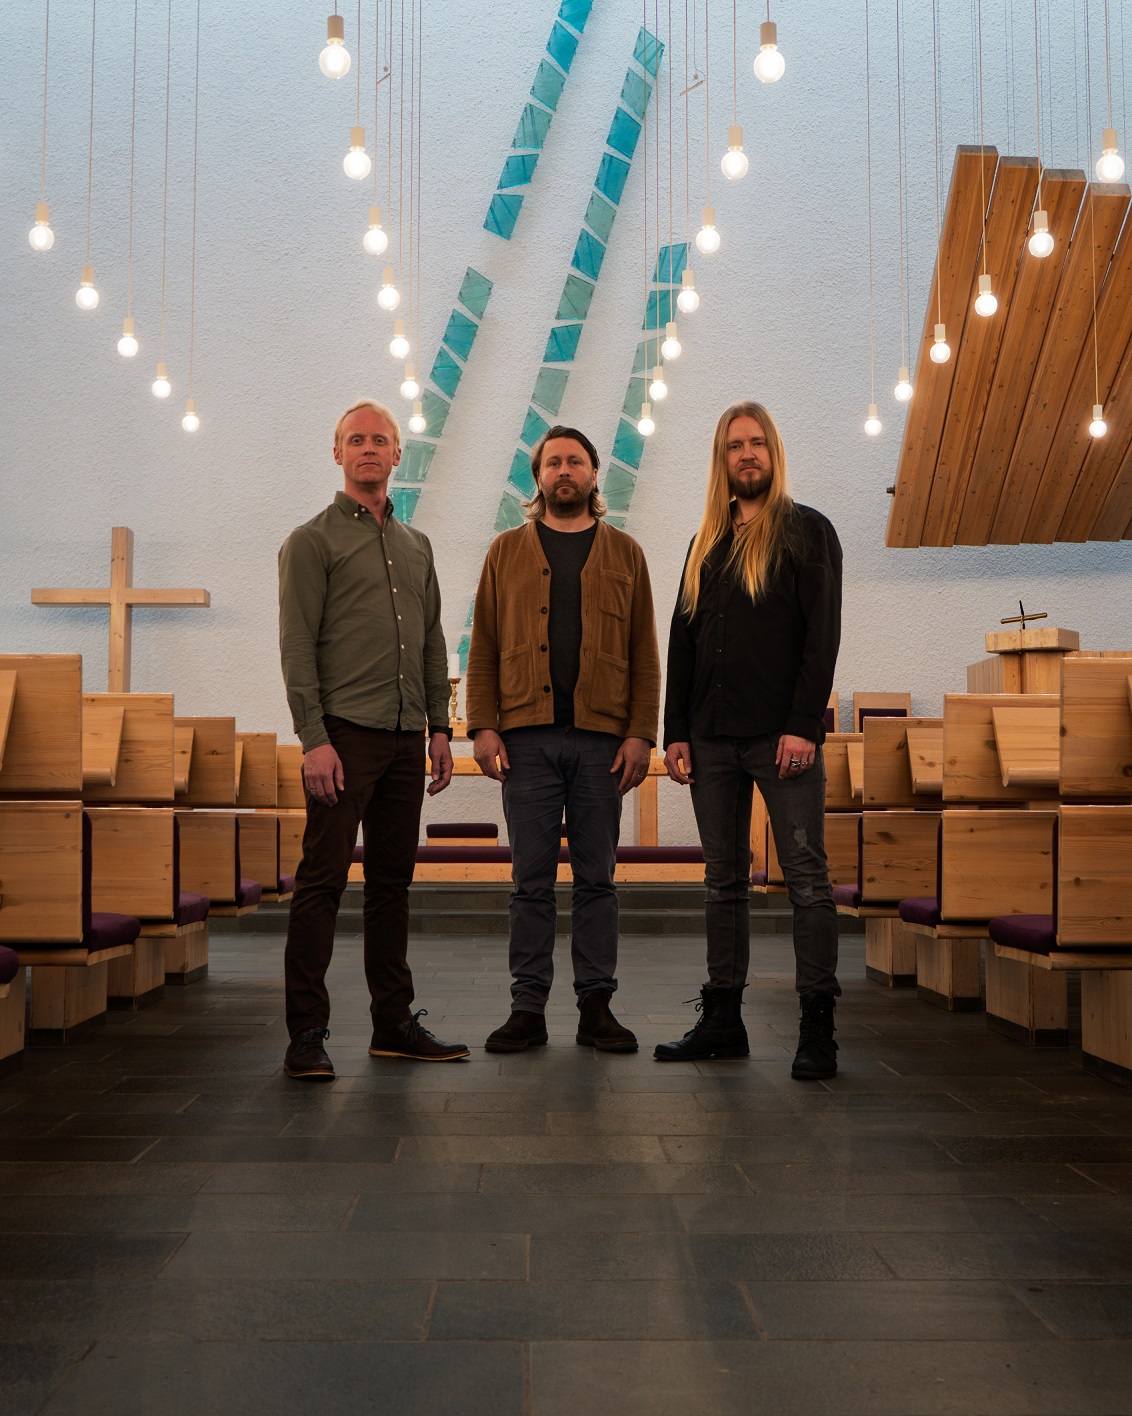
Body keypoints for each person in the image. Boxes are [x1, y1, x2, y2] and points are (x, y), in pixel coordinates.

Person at [277, 399, 468, 1080]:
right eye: (354, 439)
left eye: (379, 440)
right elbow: (297, 646)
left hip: (403, 739)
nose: (367, 448)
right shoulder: (311, 541)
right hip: (342, 739)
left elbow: (433, 638)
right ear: (337, 454)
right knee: (321, 882)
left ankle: (392, 1022)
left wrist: (440, 726)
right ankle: (307, 1033)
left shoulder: (417, 546)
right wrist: (312, 738)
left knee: (392, 884)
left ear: (396, 455)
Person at [656, 400, 843, 1079]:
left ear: (774, 451)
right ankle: (722, 1019)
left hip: (780, 737)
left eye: (758, 443)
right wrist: (674, 729)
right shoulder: (705, 541)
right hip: (710, 739)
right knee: (722, 881)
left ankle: (817, 1027)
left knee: (806, 880)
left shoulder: (806, 533)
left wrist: (804, 725)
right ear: (721, 458)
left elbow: (821, 638)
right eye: (735, 445)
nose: (747, 455)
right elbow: (682, 639)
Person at [466, 425, 660, 1053]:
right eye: (553, 462)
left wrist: (641, 734)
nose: (564, 470)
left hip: (604, 743)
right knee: (530, 880)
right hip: (525, 740)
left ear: (595, 475)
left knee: (598, 878)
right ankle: (527, 1008)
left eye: (575, 460)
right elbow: (485, 646)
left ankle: (596, 1005)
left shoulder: (626, 554)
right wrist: (483, 724)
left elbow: (644, 654)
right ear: (538, 477)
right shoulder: (504, 552)